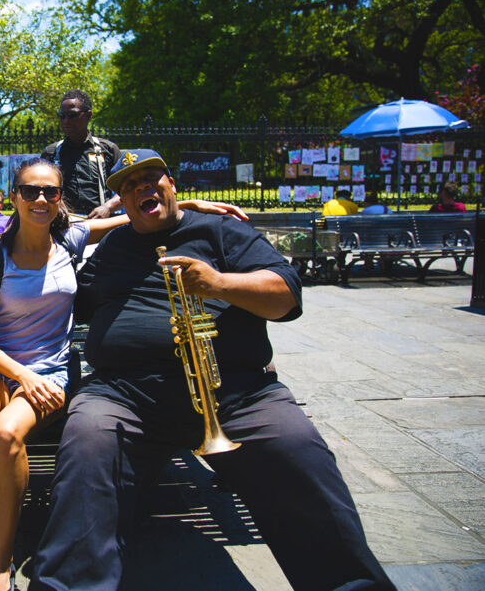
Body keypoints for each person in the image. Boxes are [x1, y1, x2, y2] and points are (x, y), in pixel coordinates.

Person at [28, 150, 395, 591]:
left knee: (297, 448)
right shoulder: (113, 248)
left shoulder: (221, 230)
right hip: (125, 396)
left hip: (237, 394)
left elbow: (286, 295)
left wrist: (219, 284)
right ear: (122, 200)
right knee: (87, 444)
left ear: (172, 184)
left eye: (152, 178)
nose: (143, 187)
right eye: (131, 184)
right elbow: (65, 292)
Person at [0, 159, 247, 591]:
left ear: (60, 201)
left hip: (52, 369)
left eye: (51, 192)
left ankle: (4, 551)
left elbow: (128, 214)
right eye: (30, 191)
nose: (40, 199)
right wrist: (21, 376)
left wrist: (193, 202)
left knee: (5, 434)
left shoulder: (71, 240)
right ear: (14, 195)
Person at [41, 90, 123, 218]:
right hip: (64, 226)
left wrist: (108, 207)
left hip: (100, 225)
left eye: (72, 115)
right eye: (62, 116)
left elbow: (128, 187)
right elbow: (41, 189)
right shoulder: (51, 152)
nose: (66, 121)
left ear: (88, 116)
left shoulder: (108, 149)